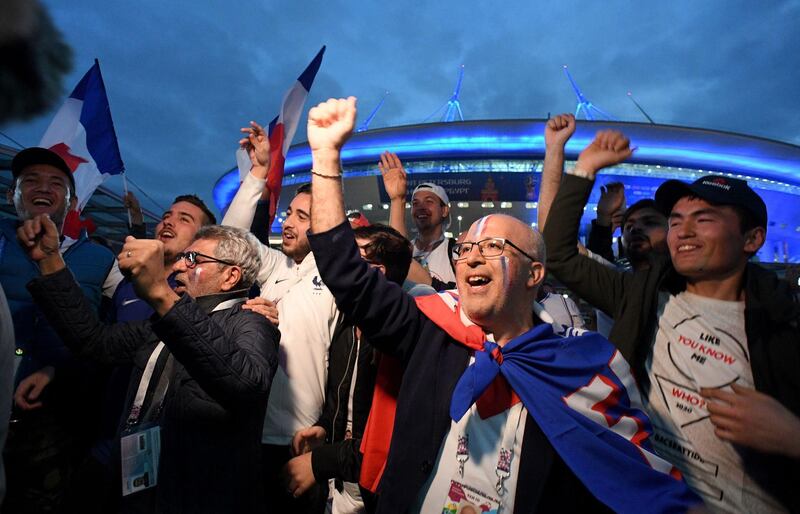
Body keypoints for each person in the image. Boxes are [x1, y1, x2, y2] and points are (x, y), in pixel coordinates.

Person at [302, 96, 701, 514]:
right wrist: (326, 156)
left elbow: (631, 481)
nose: (472, 256)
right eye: (467, 247)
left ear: (534, 275)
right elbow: (346, 273)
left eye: (493, 247)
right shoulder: (430, 329)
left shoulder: (584, 366)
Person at [543, 129, 800, 512]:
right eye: (677, 220)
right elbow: (559, 254)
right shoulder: (641, 295)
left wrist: (792, 435)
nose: (684, 231)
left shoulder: (784, 326)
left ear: (752, 239)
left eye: (704, 218)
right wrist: (585, 167)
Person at [20, 216, 279, 513]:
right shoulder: (164, 324)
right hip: (140, 484)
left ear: (230, 277)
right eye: (182, 257)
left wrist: (161, 293)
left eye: (193, 259)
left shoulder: (250, 320)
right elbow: (94, 342)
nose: (180, 266)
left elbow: (247, 384)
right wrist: (51, 260)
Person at [222, 120, 340, 510]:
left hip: (300, 444)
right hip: (246, 433)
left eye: (303, 216)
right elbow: (229, 240)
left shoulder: (342, 278)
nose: (287, 223)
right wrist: (258, 173)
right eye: (288, 213)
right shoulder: (276, 268)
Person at [1, 146, 122, 513]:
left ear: (70, 202)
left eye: (57, 183)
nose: (44, 188)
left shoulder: (103, 260)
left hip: (55, 418)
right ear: (12, 195)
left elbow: (114, 333)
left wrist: (58, 369)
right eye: (32, 181)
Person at [285, 224, 416, 514]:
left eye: (348, 258)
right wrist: (324, 428)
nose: (333, 268)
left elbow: (388, 441)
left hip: (376, 491)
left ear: (377, 274)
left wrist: (321, 462)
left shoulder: (402, 343)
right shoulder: (343, 325)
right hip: (338, 483)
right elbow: (344, 402)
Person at [379, 151, 456, 288]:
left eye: (429, 201)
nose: (421, 207)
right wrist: (397, 199)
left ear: (444, 210)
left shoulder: (455, 251)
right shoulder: (407, 249)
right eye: (415, 203)